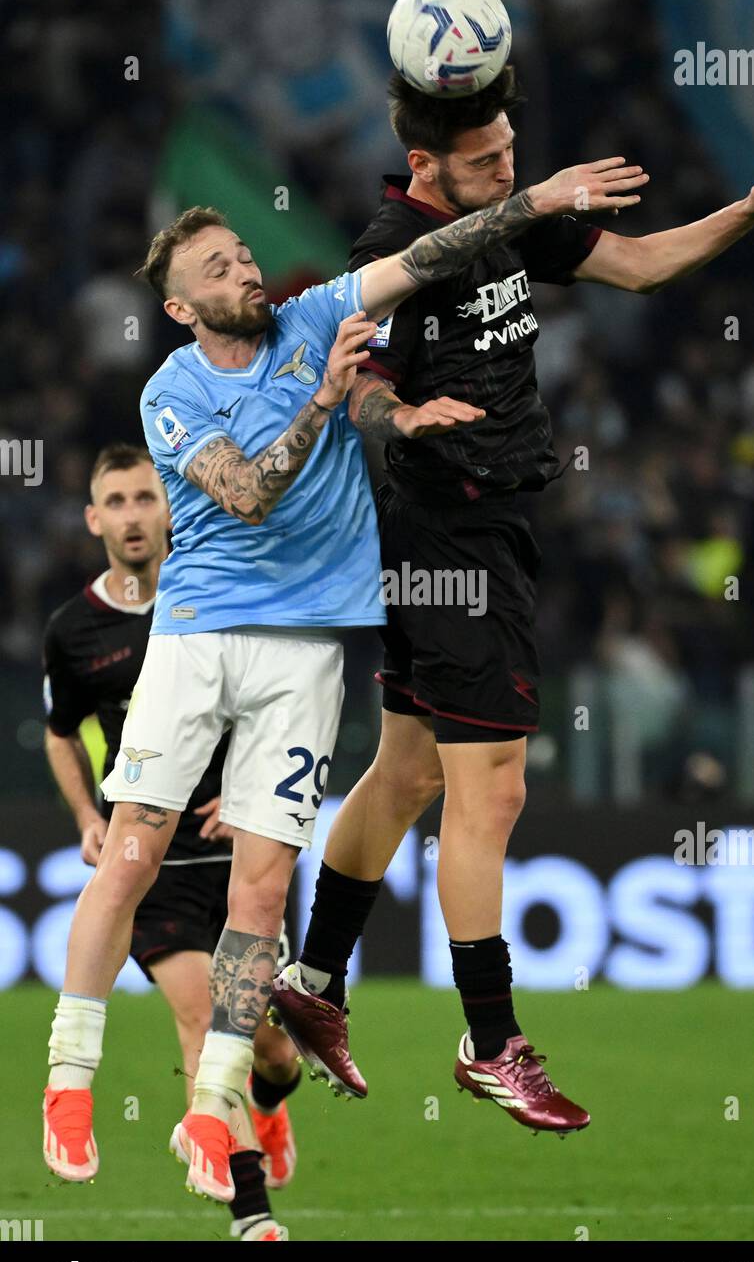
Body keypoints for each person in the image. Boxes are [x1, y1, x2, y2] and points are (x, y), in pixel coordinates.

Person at [42, 155, 637, 1199]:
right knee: (131, 853)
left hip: (312, 646)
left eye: (242, 252)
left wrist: (529, 205)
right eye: (219, 267)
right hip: (200, 633)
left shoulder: (317, 311)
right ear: (183, 306)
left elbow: (426, 253)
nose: (244, 269)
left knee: (263, 890)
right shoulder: (172, 389)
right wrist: (322, 401)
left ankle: (213, 1102)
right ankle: (70, 1076)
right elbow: (247, 495)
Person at [269, 68, 754, 1134]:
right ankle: (488, 1042)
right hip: (448, 531)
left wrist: (747, 212)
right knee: (494, 796)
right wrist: (399, 420)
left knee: (407, 769)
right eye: (485, 160)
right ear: (425, 165)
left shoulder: (508, 220)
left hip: (487, 526)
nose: (508, 168)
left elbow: (641, 263)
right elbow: (360, 379)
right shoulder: (393, 245)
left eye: (512, 147)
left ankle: (313, 979)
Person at [43, 442, 299, 1240]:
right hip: (149, 864)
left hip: (241, 856)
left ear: (168, 509)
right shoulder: (74, 630)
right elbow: (61, 732)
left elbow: (272, 701)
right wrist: (89, 815)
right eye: (114, 502)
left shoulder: (216, 594)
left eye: (144, 498)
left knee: (273, 1049)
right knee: (201, 1011)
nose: (131, 516)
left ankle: (269, 1099)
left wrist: (252, 788)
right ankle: (252, 1216)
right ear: (94, 519)